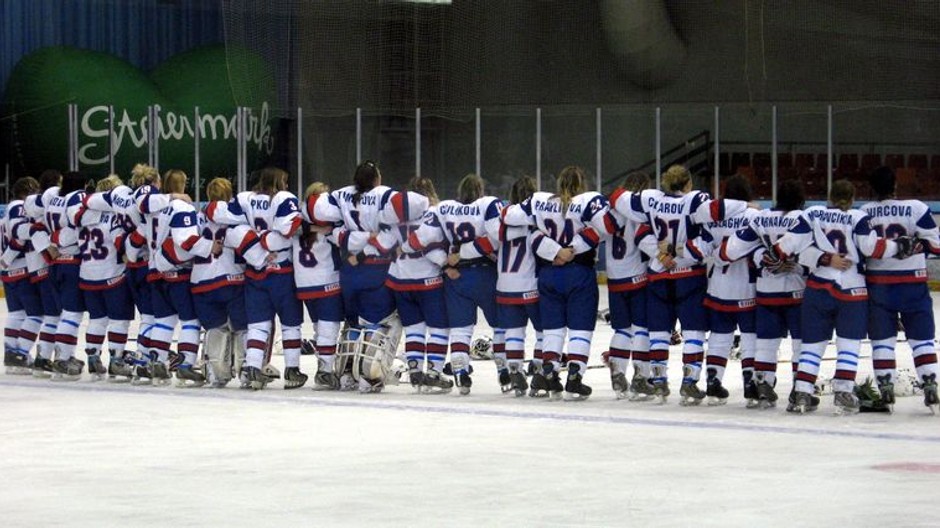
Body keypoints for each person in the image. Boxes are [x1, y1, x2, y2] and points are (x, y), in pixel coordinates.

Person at [772, 179, 914, 414]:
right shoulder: (858, 218)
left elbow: (788, 246)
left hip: (818, 288)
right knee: (848, 345)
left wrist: (822, 257)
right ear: (853, 198)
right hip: (852, 290)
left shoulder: (813, 214)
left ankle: (803, 393)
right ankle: (843, 392)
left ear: (829, 196)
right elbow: (872, 249)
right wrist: (899, 246)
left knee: (812, 345)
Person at [611, 164, 748, 405]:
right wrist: (748, 206)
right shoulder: (694, 201)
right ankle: (689, 383)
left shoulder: (650, 199)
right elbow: (720, 210)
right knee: (693, 331)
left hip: (658, 275)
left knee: (659, 332)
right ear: (688, 183)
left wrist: (660, 254)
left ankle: (659, 379)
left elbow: (619, 200)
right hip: (688, 276)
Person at [503, 165, 617, 400]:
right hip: (579, 272)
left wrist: (554, 250)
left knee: (553, 329)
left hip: (549, 273)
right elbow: (607, 227)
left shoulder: (539, 200)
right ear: (581, 183)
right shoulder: (589, 200)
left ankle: (549, 372)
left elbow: (508, 216)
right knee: (580, 329)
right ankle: (575, 377)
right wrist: (573, 247)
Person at [406, 173, 503, 395]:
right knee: (501, 326)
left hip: (456, 278)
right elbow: (496, 238)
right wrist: (467, 252)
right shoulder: (487, 205)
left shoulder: (443, 208)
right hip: (485, 274)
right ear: (480, 191)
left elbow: (419, 242)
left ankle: (459, 370)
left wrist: (447, 261)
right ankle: (505, 369)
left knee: (460, 330)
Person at [209, 167, 306, 390]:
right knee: (291, 324)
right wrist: (267, 241)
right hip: (282, 271)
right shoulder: (283, 198)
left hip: (255, 272)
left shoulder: (245, 199)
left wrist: (256, 246)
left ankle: (252, 367)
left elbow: (224, 223)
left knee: (258, 325)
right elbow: (288, 228)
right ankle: (292, 370)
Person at [721, 179, 809, 408]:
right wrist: (797, 264)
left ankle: (762, 382)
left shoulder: (760, 218)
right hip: (796, 291)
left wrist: (763, 259)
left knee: (766, 343)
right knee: (801, 344)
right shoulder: (802, 218)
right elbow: (813, 252)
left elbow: (732, 250)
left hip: (766, 291)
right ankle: (800, 390)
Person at [861, 166, 940, 412]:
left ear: (872, 188)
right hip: (912, 285)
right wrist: (915, 246)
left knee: (882, 340)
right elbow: (936, 246)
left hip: (878, 285)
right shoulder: (916, 207)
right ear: (895, 185)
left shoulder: (864, 212)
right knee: (922, 338)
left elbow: (860, 251)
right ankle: (930, 383)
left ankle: (886, 388)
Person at [192, 177, 266, 388]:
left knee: (215, 328)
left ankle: (216, 372)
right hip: (231, 279)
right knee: (243, 327)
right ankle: (245, 372)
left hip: (201, 280)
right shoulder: (236, 215)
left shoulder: (197, 217)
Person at [384, 177, 452, 393]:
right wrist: (446, 263)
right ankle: (433, 371)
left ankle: (414, 370)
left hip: (400, 279)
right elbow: (430, 247)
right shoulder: (433, 213)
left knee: (414, 328)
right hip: (428, 280)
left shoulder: (394, 216)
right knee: (439, 327)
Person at [698, 174, 759, 405]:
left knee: (719, 337)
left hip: (718, 286)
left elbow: (704, 248)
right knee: (750, 337)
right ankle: (750, 383)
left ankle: (713, 380)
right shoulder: (754, 215)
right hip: (747, 287)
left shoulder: (712, 218)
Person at [140, 169, 203, 386]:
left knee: (163, 321)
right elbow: (185, 241)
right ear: (183, 184)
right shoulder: (182, 206)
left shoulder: (153, 208)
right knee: (190, 321)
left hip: (155, 272)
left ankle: (157, 360)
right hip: (179, 273)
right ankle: (185, 364)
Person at [75, 175, 135, 381]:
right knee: (120, 320)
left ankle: (92, 357)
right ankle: (117, 360)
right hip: (113, 275)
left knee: (97, 319)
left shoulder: (83, 216)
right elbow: (121, 243)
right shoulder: (114, 216)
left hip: (87, 275)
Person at [496, 176, 549, 396]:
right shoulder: (537, 219)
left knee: (513, 332)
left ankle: (515, 369)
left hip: (505, 285)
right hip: (530, 284)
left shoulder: (503, 220)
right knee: (544, 332)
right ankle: (538, 368)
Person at [604, 172, 655, 400]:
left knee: (621, 330)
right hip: (637, 278)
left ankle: (618, 372)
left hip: (614, 280)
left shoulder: (609, 211)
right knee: (641, 328)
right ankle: (641, 377)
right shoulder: (639, 211)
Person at [294, 182, 345, 390]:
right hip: (326, 279)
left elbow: (294, 228)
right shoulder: (330, 223)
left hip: (303, 282)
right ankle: (324, 371)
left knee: (318, 327)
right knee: (328, 326)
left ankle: (323, 366)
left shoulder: (296, 219)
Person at [43, 171, 90, 380]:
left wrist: (52, 243)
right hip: (71, 262)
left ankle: (59, 356)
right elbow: (72, 229)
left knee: (61, 315)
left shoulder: (51, 198)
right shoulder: (75, 200)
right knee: (72, 314)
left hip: (54, 264)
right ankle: (62, 358)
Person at [18, 170, 63, 377]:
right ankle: (43, 358)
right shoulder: (45, 203)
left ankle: (44, 356)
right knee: (54, 316)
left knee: (52, 315)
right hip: (45, 268)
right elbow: (36, 230)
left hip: (38, 267)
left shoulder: (33, 204)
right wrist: (49, 252)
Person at [0, 177, 43, 374]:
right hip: (21, 268)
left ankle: (11, 354)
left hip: (9, 271)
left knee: (17, 314)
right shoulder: (19, 207)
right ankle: (20, 353)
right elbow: (19, 233)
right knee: (35, 314)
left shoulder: (7, 210)